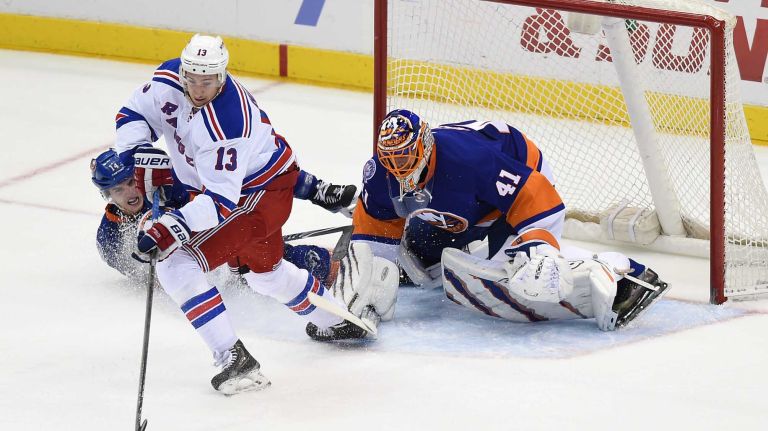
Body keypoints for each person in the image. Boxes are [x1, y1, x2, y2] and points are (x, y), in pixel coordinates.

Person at [111, 34, 395, 394]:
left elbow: (219, 203)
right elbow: (132, 112)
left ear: (222, 76)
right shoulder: (168, 80)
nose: (198, 89)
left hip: (258, 197)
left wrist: (172, 226)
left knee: (174, 261)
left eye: (208, 81)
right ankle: (338, 320)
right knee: (266, 275)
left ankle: (233, 359)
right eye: (193, 79)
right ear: (183, 72)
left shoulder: (228, 122)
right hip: (255, 190)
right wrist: (134, 151)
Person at [348, 109, 670, 331]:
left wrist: (537, 245)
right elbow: (377, 227)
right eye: (388, 159)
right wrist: (371, 275)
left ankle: (621, 273)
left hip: (520, 180)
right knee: (417, 256)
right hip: (463, 203)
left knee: (525, 275)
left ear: (425, 146)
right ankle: (488, 248)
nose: (396, 167)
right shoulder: (380, 174)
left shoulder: (470, 159)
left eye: (403, 156)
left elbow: (536, 196)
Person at [91, 148, 356, 285]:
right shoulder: (109, 238)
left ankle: (342, 266)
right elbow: (142, 276)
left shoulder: (168, 185)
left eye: (129, 182)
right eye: (118, 189)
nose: (129, 193)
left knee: (272, 260)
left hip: (223, 245)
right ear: (108, 196)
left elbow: (220, 200)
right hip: (199, 272)